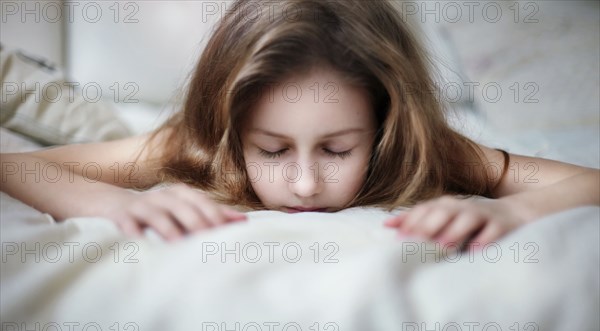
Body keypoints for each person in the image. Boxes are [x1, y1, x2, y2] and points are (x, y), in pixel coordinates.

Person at [1, 0, 598, 247]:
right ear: (233, 134)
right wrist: (108, 204)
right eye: (272, 149)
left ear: (385, 124)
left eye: (338, 150)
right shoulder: (200, 146)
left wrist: (513, 212)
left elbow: (588, 182)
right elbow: (20, 165)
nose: (306, 184)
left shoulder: (425, 149)